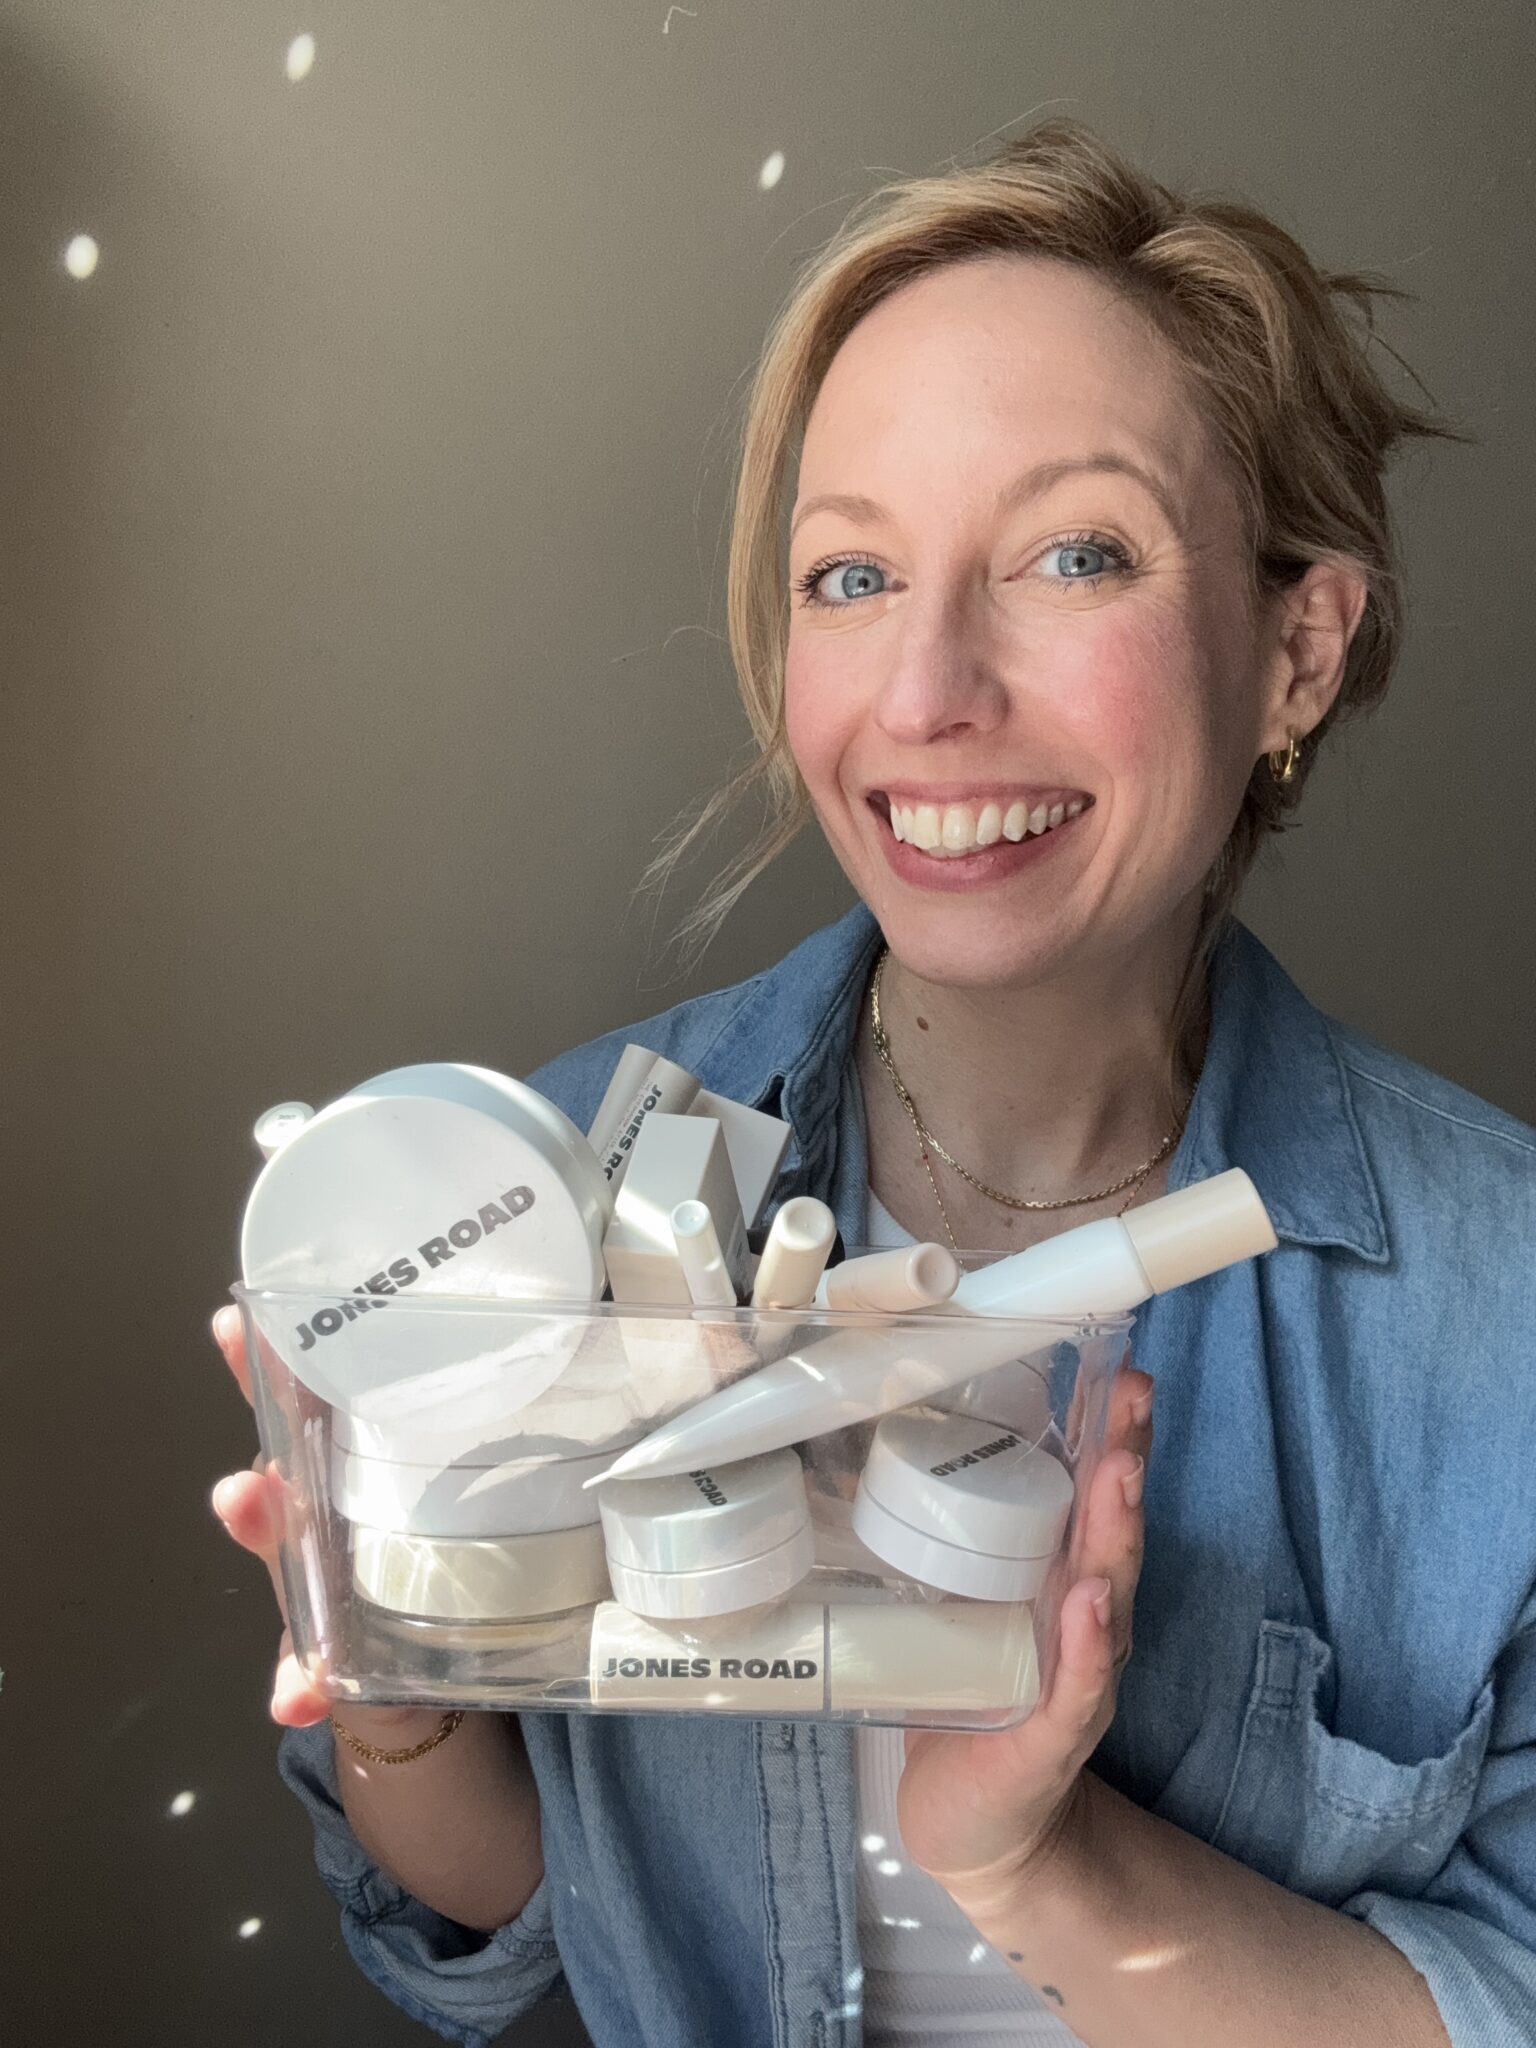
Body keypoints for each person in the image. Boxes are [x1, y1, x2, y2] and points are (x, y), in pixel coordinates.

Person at [209, 120, 1536, 2048]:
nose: (926, 692)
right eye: (850, 576)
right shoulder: (557, 1190)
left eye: (1076, 554)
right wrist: (398, 1678)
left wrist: (1036, 1857)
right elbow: (516, 1927)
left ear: (1295, 654)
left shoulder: (1502, 1323)